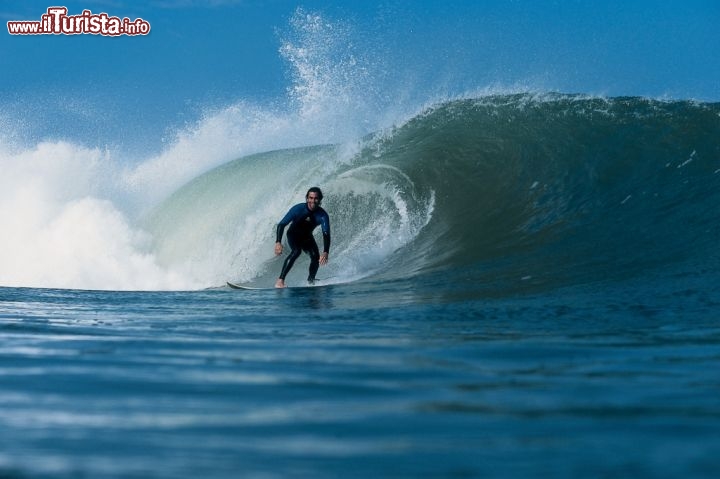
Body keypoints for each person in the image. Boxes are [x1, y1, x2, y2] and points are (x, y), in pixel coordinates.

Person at [274, 187, 331, 288]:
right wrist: (278, 242)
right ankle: (280, 281)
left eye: (316, 198)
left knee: (315, 257)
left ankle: (311, 280)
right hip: (293, 234)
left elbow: (326, 234)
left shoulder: (323, 215)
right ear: (307, 198)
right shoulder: (298, 208)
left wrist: (326, 251)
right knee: (296, 251)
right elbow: (281, 224)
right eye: (311, 197)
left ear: (320, 200)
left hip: (306, 237)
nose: (313, 200)